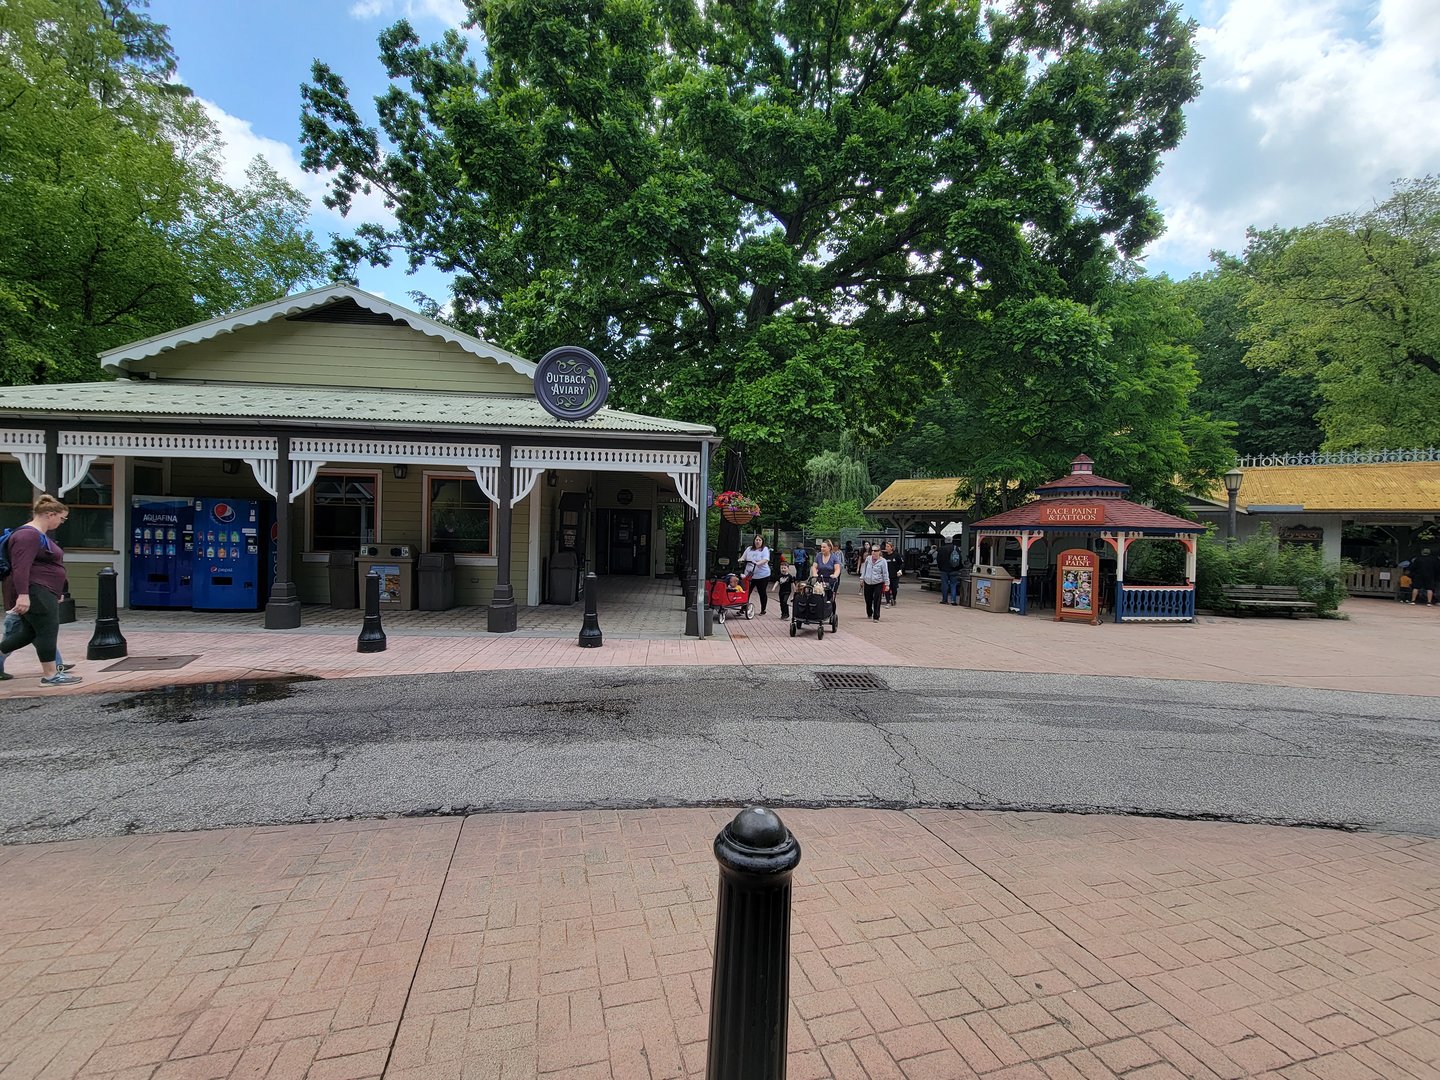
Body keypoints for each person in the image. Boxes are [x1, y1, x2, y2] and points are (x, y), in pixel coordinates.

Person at [0, 494, 81, 685]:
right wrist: (23, 595)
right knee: (47, 631)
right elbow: (21, 567)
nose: (61, 523)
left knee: (29, 633)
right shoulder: (27, 535)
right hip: (37, 592)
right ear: (50, 514)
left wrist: (58, 591)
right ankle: (51, 675)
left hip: (43, 591)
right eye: (61, 518)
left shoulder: (38, 535)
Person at [740, 534, 772, 615]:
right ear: (754, 541)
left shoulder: (764, 549)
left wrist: (758, 563)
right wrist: (740, 560)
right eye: (756, 540)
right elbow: (743, 557)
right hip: (749, 575)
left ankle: (763, 609)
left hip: (762, 575)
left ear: (762, 541)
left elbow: (766, 559)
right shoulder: (749, 549)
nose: (758, 541)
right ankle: (743, 608)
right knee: (746, 591)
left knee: (762, 592)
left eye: (759, 540)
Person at [860, 545, 889, 620]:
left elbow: (885, 573)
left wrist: (887, 584)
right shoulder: (868, 559)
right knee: (868, 599)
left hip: (878, 582)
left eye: (875, 551)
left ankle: (876, 616)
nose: (873, 552)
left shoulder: (883, 561)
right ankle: (869, 613)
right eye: (872, 550)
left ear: (879, 552)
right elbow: (864, 569)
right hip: (868, 581)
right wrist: (862, 579)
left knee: (877, 599)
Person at [938, 532, 965, 606]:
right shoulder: (956, 548)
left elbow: (938, 560)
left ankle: (944, 600)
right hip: (954, 569)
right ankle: (953, 600)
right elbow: (960, 558)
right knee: (953, 585)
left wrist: (940, 567)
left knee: (945, 585)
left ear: (945, 541)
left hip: (944, 570)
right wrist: (959, 567)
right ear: (952, 541)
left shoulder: (941, 549)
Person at [882, 541, 903, 606]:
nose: (886, 548)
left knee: (894, 588)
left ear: (892, 547)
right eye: (886, 546)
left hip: (895, 575)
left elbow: (901, 563)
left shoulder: (896, 555)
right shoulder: (884, 556)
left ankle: (893, 598)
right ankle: (888, 601)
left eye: (888, 546)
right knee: (887, 588)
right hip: (887, 575)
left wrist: (900, 570)